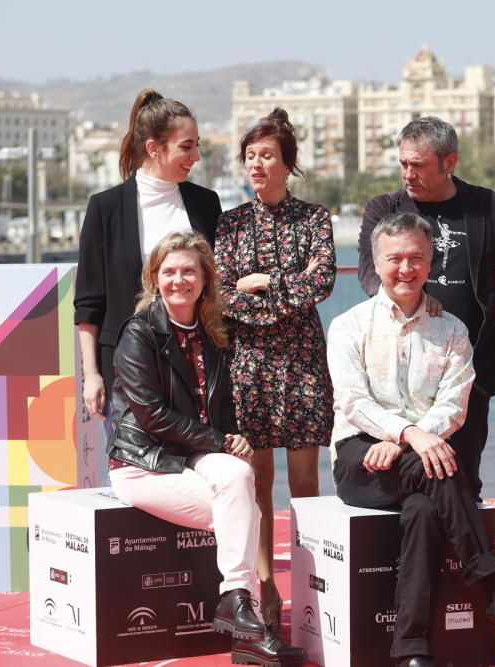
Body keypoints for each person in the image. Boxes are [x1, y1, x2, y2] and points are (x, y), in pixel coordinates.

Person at [329, 212, 495, 667]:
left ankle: (412, 650)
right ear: (375, 263)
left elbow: (454, 406)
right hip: (360, 458)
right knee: (440, 468)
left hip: (416, 461)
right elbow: (353, 402)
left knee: (424, 509)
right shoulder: (349, 326)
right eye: (395, 259)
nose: (406, 269)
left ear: (431, 264)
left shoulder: (451, 330)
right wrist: (405, 431)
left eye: (416, 258)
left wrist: (410, 440)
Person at [107, 231, 305, 666]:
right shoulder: (139, 333)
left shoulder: (213, 331)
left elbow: (221, 404)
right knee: (245, 513)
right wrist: (219, 441)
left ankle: (237, 606)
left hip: (193, 457)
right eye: (169, 271)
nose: (179, 280)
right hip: (144, 463)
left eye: (189, 271)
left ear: (205, 278)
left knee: (239, 475)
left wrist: (234, 436)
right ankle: (249, 628)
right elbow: (152, 416)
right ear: (154, 278)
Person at [214, 108, 335, 640]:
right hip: (249, 364)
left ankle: (310, 578)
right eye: (251, 156)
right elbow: (218, 295)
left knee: (306, 480)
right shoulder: (230, 222)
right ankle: (265, 584)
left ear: (288, 163)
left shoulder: (314, 218)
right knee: (256, 479)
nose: (257, 164)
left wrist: (260, 288)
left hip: (302, 359)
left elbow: (324, 282)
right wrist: (263, 289)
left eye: (267, 155)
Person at [357, 116, 495, 502]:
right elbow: (368, 271)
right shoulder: (383, 207)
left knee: (463, 474)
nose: (407, 173)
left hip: (471, 366)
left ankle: (461, 559)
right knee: (403, 476)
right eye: (403, 163)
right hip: (401, 366)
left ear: (449, 162)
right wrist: (411, 299)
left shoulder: (491, 208)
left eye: (418, 165)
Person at [75, 89, 221, 418]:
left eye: (197, 145)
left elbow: (215, 282)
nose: (195, 156)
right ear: (154, 148)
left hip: (196, 364)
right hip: (126, 366)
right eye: (186, 146)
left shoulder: (206, 203)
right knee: (133, 467)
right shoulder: (105, 208)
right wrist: (92, 375)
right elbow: (89, 302)